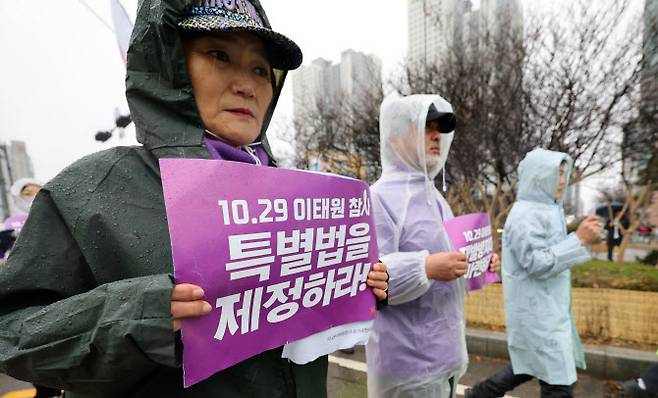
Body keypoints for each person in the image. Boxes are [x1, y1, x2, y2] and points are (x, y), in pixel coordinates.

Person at [0, 1, 388, 397]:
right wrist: (141, 312)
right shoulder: (90, 190)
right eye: (220, 55)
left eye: (259, 69)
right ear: (169, 65)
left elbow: (306, 331)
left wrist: (356, 286)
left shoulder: (302, 194)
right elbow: (11, 334)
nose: (247, 85)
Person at [366, 94, 500, 398]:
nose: (436, 135)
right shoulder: (379, 198)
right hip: (406, 366)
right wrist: (425, 267)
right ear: (398, 138)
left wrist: (478, 263)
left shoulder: (434, 197)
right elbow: (370, 281)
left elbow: (448, 261)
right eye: (426, 127)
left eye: (439, 128)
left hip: (446, 358)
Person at [465, 149, 601, 398]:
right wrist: (579, 240)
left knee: (527, 366)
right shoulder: (527, 214)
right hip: (539, 314)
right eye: (557, 174)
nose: (563, 180)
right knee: (558, 383)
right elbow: (537, 263)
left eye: (564, 173)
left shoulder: (546, 209)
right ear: (539, 176)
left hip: (546, 311)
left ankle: (479, 395)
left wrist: (578, 238)